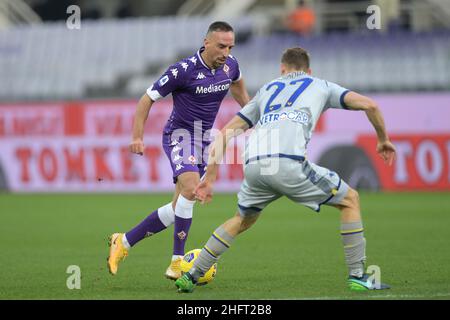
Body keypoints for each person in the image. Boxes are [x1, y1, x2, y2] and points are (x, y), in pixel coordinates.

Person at [175, 47, 397, 293]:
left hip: (255, 165)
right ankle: (358, 276)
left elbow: (225, 133)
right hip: (287, 163)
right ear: (308, 70)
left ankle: (192, 274)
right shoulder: (320, 85)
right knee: (351, 200)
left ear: (282, 69)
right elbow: (371, 106)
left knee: (241, 220)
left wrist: (211, 177)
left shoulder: (267, 90)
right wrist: (383, 139)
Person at [107, 21, 250, 280]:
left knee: (178, 208)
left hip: (205, 140)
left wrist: (251, 116)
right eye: (220, 46)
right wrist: (137, 136)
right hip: (180, 136)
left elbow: (239, 89)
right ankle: (176, 262)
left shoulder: (231, 66)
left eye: (230, 47)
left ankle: (123, 242)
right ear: (206, 42)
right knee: (191, 187)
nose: (225, 52)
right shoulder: (182, 71)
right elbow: (146, 98)